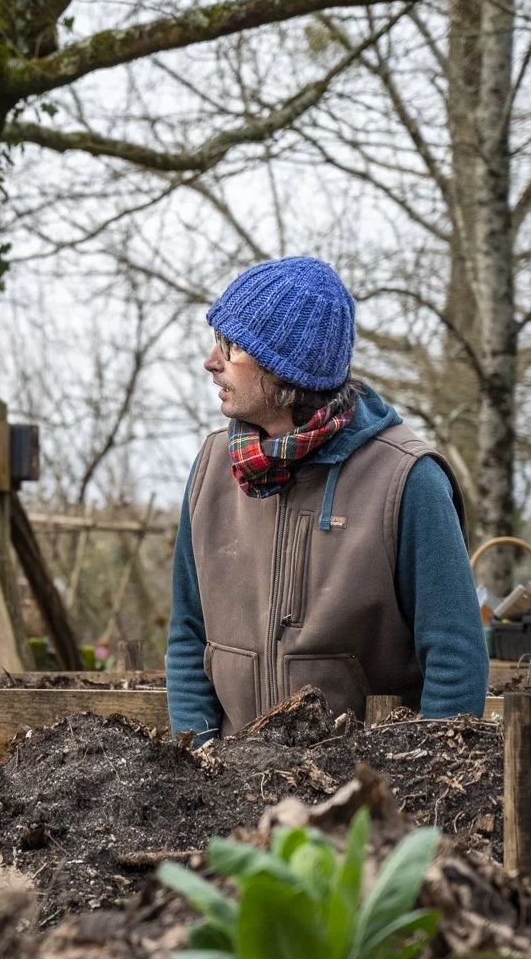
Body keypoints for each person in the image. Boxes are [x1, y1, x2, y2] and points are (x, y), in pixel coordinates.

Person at [166, 256, 486, 743]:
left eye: (229, 347)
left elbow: (456, 661)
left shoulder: (408, 478)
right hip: (229, 791)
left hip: (366, 800)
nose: (212, 362)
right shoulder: (213, 468)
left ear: (282, 372)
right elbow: (189, 639)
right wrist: (198, 763)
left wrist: (410, 796)